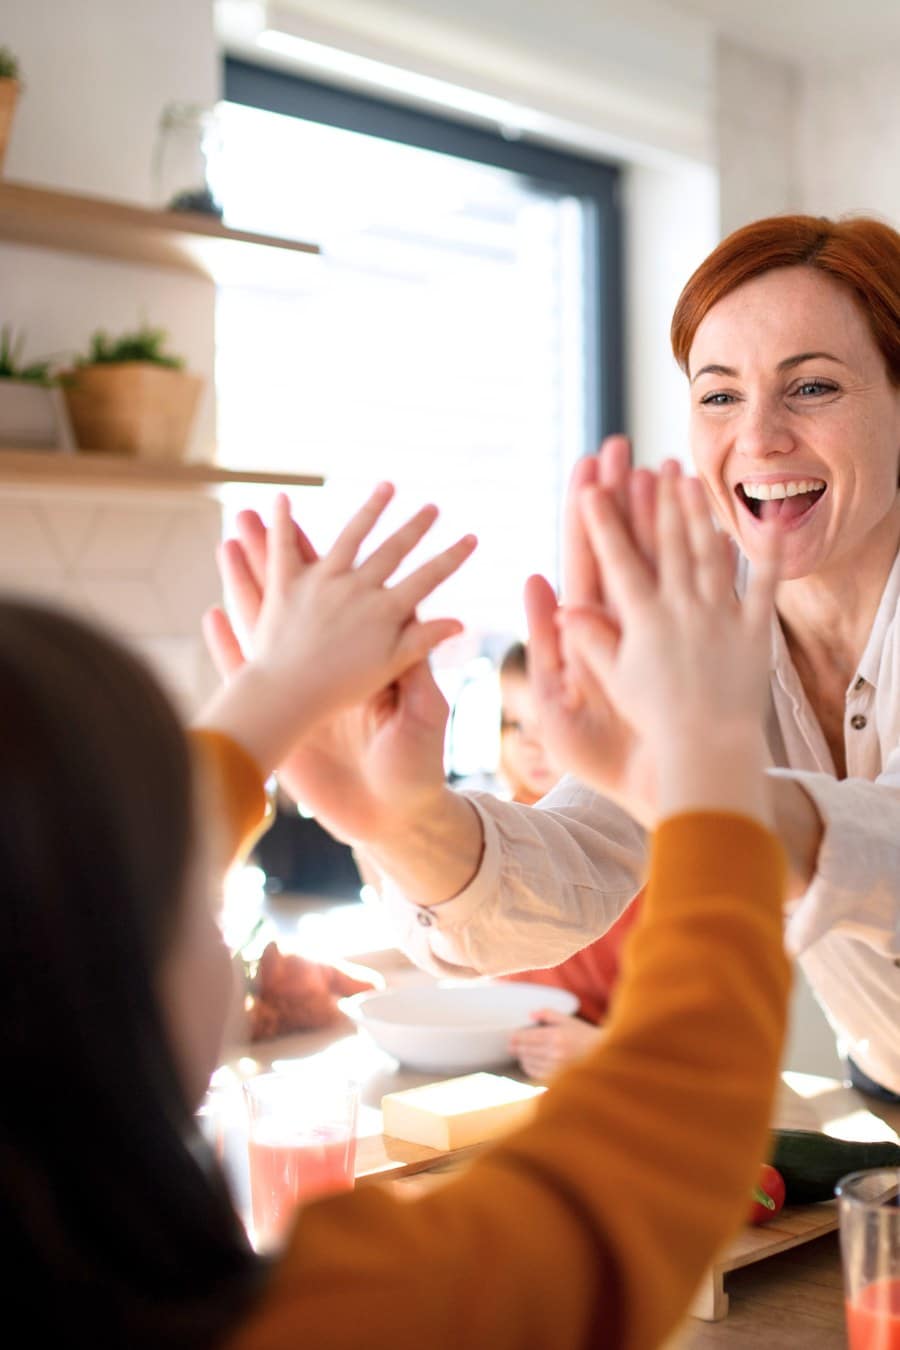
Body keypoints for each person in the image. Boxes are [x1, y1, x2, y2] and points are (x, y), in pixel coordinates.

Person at [4, 472, 791, 1349]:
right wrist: (710, 758)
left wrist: (275, 697)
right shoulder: (361, 1318)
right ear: (103, 994)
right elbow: (674, 1115)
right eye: (199, 902)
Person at [211, 213, 900, 1102]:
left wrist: (713, 790)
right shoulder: (692, 615)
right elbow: (573, 873)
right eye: (719, 395)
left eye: (812, 388)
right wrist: (405, 821)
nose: (759, 437)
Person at [495, 640, 640, 1080]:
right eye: (515, 723)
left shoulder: (635, 843)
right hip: (515, 1066)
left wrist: (603, 1049)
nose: (530, 744)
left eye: (548, 723)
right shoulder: (501, 829)